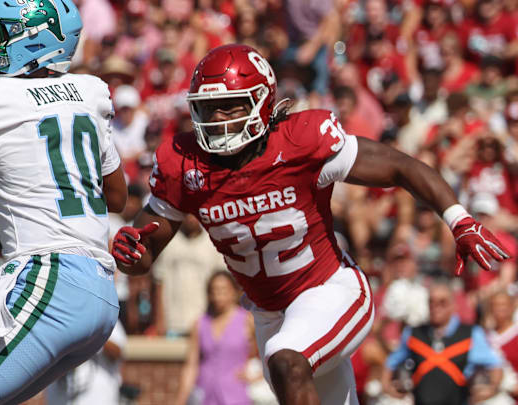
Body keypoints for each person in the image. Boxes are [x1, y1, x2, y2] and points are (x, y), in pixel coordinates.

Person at [111, 44, 510, 405]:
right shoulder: (184, 164)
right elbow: (143, 253)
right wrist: (131, 251)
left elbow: (400, 166)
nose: (216, 119)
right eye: (207, 108)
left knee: (288, 361)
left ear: (261, 103)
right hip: (270, 314)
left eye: (230, 106)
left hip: (330, 288)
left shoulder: (302, 141)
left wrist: (459, 219)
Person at [0, 0, 127, 402]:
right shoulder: (90, 91)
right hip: (101, 290)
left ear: (35, 40)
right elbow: (115, 196)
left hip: (50, 276)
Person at [381, 279, 503, 405]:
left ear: (453, 305)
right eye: (431, 302)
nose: (436, 307)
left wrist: (492, 389)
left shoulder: (471, 333)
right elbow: (391, 361)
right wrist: (386, 387)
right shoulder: (413, 333)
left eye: (442, 302)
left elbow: (495, 364)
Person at [175, 271, 255, 405]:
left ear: (234, 291)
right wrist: (180, 400)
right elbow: (191, 365)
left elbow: (265, 353)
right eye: (214, 290)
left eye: (223, 289)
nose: (218, 295)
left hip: (236, 395)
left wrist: (257, 377)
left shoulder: (247, 320)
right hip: (205, 395)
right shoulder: (200, 323)